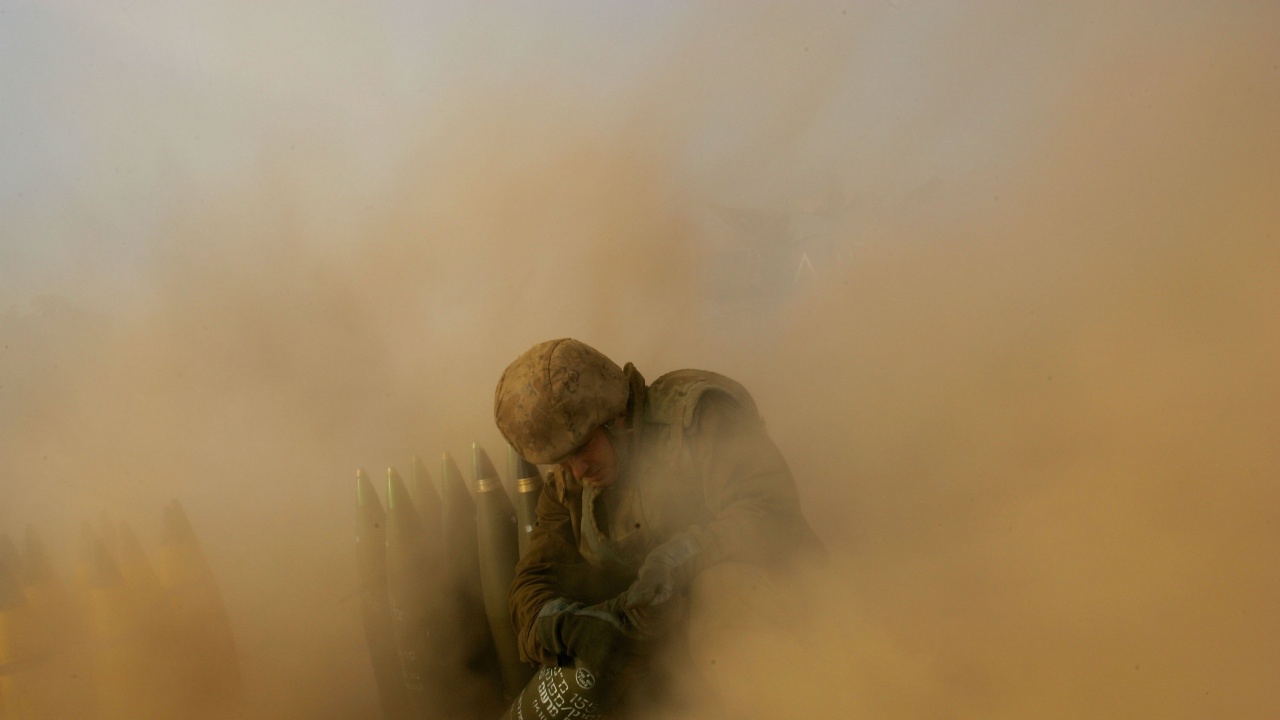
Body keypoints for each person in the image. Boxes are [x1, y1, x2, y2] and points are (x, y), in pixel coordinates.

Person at [493, 338, 821, 718]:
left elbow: (768, 511)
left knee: (727, 588)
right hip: (668, 655)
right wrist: (565, 626)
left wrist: (677, 559)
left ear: (614, 416)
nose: (577, 470)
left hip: (777, 619)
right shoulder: (570, 487)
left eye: (582, 449)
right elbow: (532, 581)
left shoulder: (698, 418)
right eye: (562, 462)